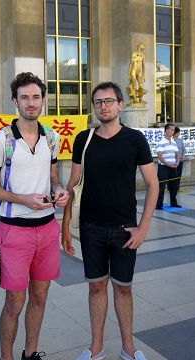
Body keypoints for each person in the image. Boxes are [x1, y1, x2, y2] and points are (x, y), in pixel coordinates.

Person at [62, 82, 158, 360]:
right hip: (91, 228)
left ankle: (128, 348)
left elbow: (152, 184)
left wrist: (144, 227)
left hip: (124, 229)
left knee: (123, 288)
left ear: (120, 104)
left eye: (108, 101)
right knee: (96, 286)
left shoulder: (135, 139)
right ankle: (96, 348)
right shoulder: (84, 138)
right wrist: (65, 227)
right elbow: (73, 183)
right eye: (98, 102)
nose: (103, 106)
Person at [0, 72, 69, 360]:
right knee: (14, 302)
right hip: (14, 231)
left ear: (43, 100)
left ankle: (30, 354)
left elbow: (53, 175)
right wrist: (23, 199)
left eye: (35, 97)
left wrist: (58, 190)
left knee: (40, 296)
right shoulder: (1, 140)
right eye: (24, 98)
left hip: (47, 229)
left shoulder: (52, 137)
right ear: (14, 102)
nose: (31, 103)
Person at [156, 123, 180, 210]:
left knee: (174, 186)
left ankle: (174, 203)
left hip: (173, 167)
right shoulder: (161, 142)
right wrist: (167, 163)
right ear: (166, 130)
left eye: (174, 130)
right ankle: (159, 205)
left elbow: (177, 153)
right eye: (171, 130)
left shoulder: (173, 142)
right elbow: (159, 156)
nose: (173, 132)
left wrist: (177, 162)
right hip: (164, 167)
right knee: (161, 187)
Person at [173, 126, 185, 191]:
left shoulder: (180, 140)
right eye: (178, 132)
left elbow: (183, 149)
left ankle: (177, 186)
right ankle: (172, 187)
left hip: (180, 160)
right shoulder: (171, 140)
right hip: (174, 161)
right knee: (173, 175)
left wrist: (183, 156)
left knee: (179, 174)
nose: (179, 134)